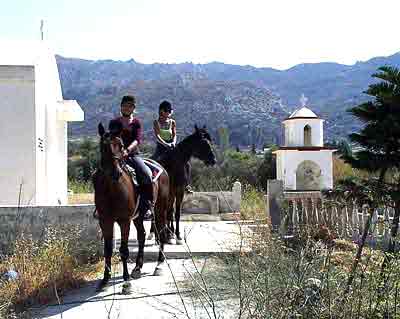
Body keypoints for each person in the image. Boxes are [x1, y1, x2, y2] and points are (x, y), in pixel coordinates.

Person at [109, 95, 154, 220]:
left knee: (146, 174)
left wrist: (127, 150)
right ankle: (101, 207)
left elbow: (137, 139)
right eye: (124, 105)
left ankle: (147, 206)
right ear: (121, 107)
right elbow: (112, 138)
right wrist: (118, 151)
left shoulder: (136, 123)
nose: (127, 108)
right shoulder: (114, 122)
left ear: (134, 108)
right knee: (101, 174)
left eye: (130, 106)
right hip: (117, 155)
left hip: (133, 154)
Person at [152, 100, 193, 194]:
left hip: (172, 146)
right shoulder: (156, 122)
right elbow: (157, 136)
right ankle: (153, 182)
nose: (168, 113)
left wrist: (173, 143)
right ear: (161, 111)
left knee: (186, 164)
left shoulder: (172, 122)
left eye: (169, 111)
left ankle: (187, 184)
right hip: (161, 147)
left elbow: (174, 135)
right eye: (166, 111)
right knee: (154, 161)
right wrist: (165, 144)